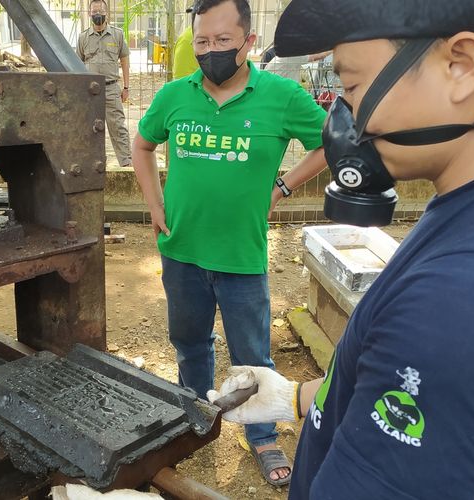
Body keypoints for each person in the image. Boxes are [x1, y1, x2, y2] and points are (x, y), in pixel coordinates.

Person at [206, 0, 474, 498]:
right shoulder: (467, 209)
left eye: (352, 87)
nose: (341, 115)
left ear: (461, 66)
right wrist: (296, 397)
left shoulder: (456, 298)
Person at [131, 0, 328, 486]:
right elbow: (142, 143)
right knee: (189, 342)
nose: (211, 50)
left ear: (248, 43)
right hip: (181, 252)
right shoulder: (175, 95)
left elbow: (332, 142)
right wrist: (155, 204)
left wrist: (282, 187)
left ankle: (261, 434)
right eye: (202, 42)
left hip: (241, 256)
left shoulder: (280, 96)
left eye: (222, 41)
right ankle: (192, 416)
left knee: (251, 354)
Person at [77, 0, 132, 168]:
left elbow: (124, 61)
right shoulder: (83, 37)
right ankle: (91, 164)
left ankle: (126, 162)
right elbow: (77, 64)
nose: (97, 14)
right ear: (89, 14)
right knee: (90, 128)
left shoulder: (117, 34)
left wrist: (126, 87)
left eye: (100, 10)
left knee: (118, 126)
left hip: (111, 88)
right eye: (94, 11)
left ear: (107, 13)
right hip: (90, 91)